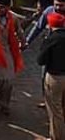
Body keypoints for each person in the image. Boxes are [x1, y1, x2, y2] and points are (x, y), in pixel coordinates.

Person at [36, 11, 65, 140]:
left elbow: (40, 60)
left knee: (55, 110)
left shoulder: (51, 39)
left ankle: (56, 137)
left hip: (55, 77)